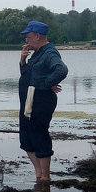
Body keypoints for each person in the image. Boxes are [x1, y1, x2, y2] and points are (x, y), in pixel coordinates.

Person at [17, 20, 67, 182]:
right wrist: (22, 60)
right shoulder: (37, 53)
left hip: (41, 101)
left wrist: (47, 84)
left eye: (28, 37)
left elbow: (61, 69)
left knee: (39, 135)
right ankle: (39, 175)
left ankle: (45, 176)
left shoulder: (49, 53)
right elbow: (28, 75)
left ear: (37, 36)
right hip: (27, 101)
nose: (26, 40)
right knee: (26, 137)